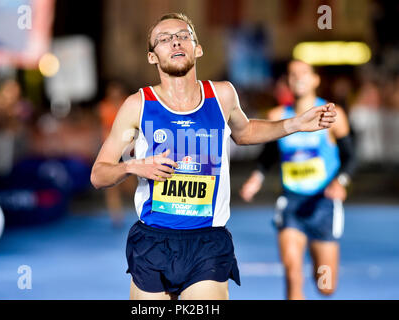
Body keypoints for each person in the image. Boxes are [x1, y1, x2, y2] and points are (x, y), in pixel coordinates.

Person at [90, 13, 337, 300]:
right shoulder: (138, 105)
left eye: (183, 36)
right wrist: (134, 166)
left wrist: (295, 124)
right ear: (152, 57)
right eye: (164, 39)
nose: (175, 42)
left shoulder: (222, 95)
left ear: (198, 48)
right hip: (152, 242)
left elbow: (244, 133)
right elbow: (99, 174)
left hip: (207, 242)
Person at [240, 60, 356, 300]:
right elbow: (269, 153)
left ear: (315, 79)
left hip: (322, 204)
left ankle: (317, 254)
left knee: (326, 286)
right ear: (287, 81)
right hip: (291, 202)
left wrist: (341, 181)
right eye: (292, 75)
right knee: (292, 273)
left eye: (303, 74)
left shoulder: (332, 115)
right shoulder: (278, 115)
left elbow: (350, 156)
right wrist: (257, 177)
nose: (298, 78)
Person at [98, 81, 137, 227]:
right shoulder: (103, 107)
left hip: (128, 149)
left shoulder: (128, 104)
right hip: (111, 150)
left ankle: (141, 209)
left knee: (130, 184)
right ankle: (116, 216)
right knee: (111, 186)